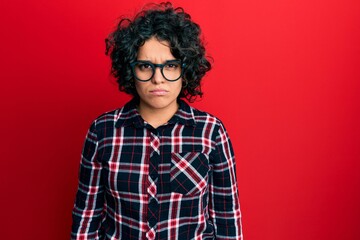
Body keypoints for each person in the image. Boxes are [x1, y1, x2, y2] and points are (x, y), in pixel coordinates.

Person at [71, 2, 242, 239]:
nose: (158, 79)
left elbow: (227, 219)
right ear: (131, 70)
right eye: (145, 66)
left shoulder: (211, 132)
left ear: (186, 69)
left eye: (170, 66)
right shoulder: (103, 132)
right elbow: (86, 220)